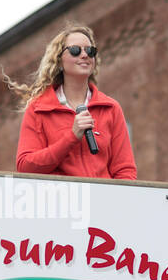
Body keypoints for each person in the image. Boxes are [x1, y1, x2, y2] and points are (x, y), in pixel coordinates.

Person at [11, 24, 137, 180]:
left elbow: (125, 171)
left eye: (90, 51)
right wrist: (71, 137)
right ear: (59, 60)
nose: (84, 55)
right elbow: (25, 166)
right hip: (61, 200)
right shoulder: (38, 110)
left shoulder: (111, 108)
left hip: (102, 201)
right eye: (75, 50)